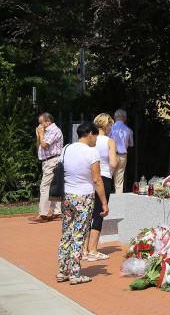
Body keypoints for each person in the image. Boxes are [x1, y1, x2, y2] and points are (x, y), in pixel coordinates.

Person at [55, 122, 109, 285]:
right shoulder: (92, 153)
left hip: (67, 196)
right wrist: (104, 203)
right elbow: (97, 179)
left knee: (66, 233)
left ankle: (62, 271)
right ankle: (75, 273)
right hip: (84, 197)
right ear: (90, 134)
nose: (96, 141)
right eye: (95, 137)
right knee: (79, 235)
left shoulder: (66, 148)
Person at [82, 113, 117, 261]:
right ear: (106, 125)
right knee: (100, 213)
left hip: (89, 177)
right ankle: (94, 249)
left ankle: (84, 250)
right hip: (104, 177)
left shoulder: (90, 140)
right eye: (110, 125)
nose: (111, 129)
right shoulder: (110, 141)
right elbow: (114, 163)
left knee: (87, 213)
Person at [29, 112, 64, 223]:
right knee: (53, 186)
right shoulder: (46, 131)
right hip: (46, 161)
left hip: (52, 160)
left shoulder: (54, 130)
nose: (40, 126)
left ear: (48, 122)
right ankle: (57, 212)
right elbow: (39, 146)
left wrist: (41, 133)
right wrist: (38, 136)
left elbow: (45, 145)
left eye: (41, 123)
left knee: (45, 186)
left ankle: (43, 214)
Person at [109, 109, 133, 193]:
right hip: (123, 156)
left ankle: (105, 199)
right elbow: (131, 144)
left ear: (115, 117)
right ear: (125, 118)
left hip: (111, 155)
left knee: (108, 176)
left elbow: (107, 141)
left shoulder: (110, 128)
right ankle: (118, 202)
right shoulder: (128, 130)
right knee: (119, 180)